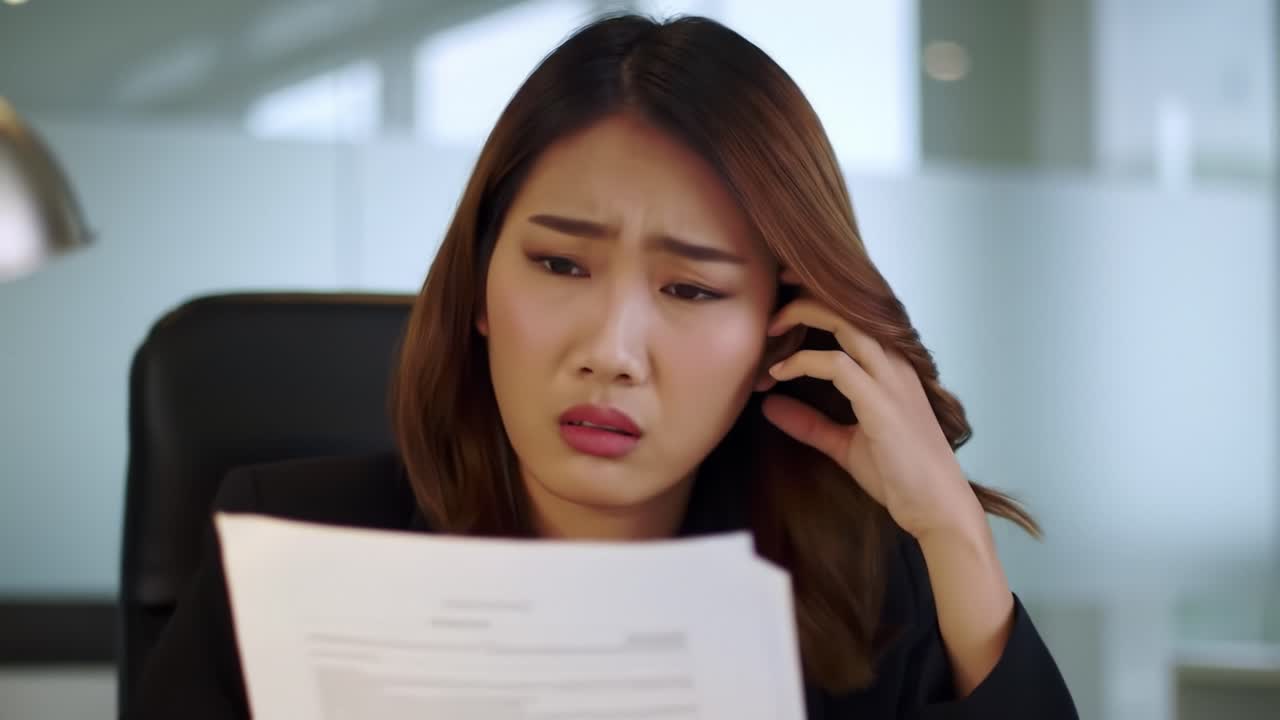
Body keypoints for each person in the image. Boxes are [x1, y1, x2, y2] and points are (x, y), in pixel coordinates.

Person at [134, 13, 1078, 719]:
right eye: (559, 265)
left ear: (777, 338)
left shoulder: (876, 602)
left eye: (692, 290)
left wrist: (952, 534)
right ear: (476, 289)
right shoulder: (289, 551)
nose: (610, 353)